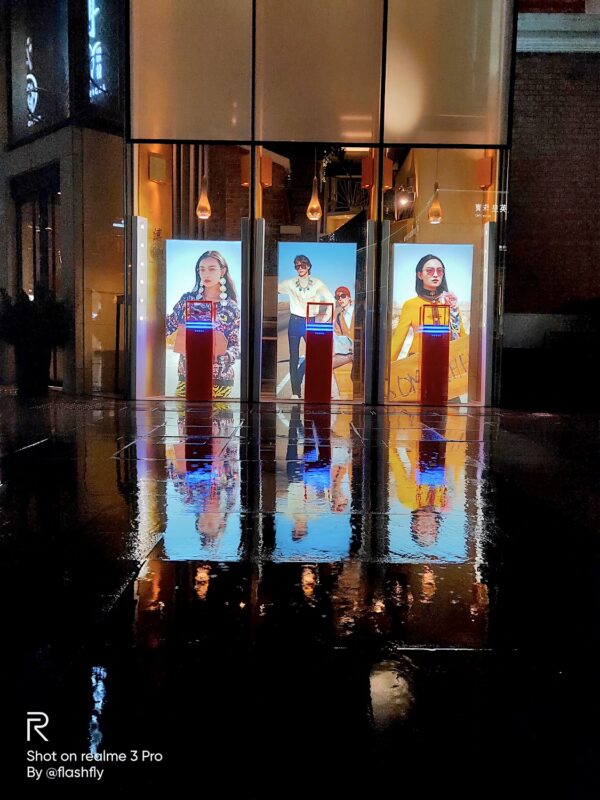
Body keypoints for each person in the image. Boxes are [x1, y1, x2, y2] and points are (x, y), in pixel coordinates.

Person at [166, 250, 240, 398]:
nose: (206, 274)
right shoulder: (187, 300)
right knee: (183, 413)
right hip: (188, 377)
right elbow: (167, 327)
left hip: (219, 381)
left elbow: (235, 347)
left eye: (211, 269)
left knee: (215, 414)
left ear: (222, 271)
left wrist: (221, 356)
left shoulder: (230, 308)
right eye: (202, 269)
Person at [278, 254, 336, 398]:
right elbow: (273, 288)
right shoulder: (289, 283)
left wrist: (325, 320)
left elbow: (331, 300)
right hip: (294, 321)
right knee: (294, 357)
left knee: (314, 354)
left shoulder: (317, 283)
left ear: (308, 266)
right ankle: (295, 392)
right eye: (297, 266)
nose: (300, 268)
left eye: (302, 265)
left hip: (310, 322)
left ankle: (303, 380)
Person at [390, 254, 465, 362]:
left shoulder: (450, 303)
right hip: (416, 362)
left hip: (446, 362)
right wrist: (386, 368)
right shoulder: (410, 304)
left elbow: (462, 337)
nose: (435, 275)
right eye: (430, 271)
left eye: (439, 271)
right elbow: (398, 340)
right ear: (420, 275)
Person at [333, 285, 354, 370]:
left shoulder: (359, 312)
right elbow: (338, 337)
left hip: (361, 351)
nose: (340, 299)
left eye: (343, 296)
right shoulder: (338, 317)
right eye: (337, 297)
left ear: (349, 297)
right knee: (325, 362)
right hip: (347, 353)